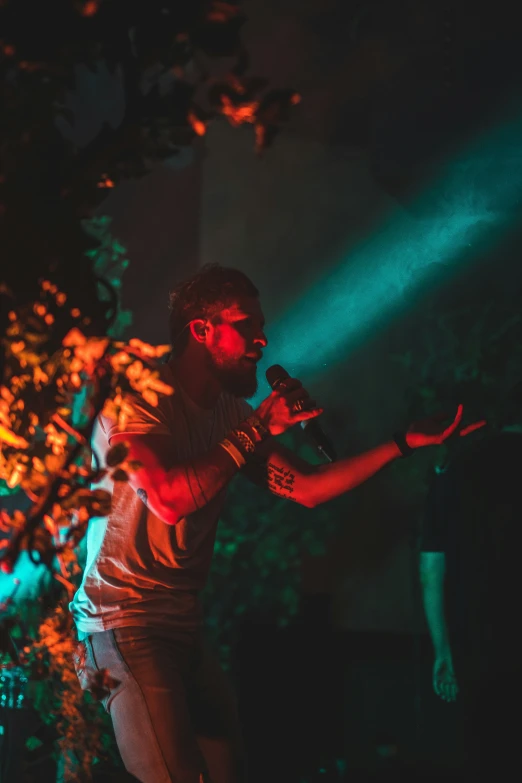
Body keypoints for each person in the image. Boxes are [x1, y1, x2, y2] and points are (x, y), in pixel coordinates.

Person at [70, 263, 466, 783]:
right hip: (122, 621)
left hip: (183, 624)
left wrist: (403, 443)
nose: (261, 340)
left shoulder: (231, 414)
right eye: (247, 326)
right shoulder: (139, 397)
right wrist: (259, 425)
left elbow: (307, 487)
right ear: (202, 329)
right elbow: (168, 499)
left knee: (229, 772)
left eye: (262, 327)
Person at [420, 410, 522, 780]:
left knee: (491, 756)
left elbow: (431, 571)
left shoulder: (454, 472)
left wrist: (442, 649)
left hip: (478, 643)